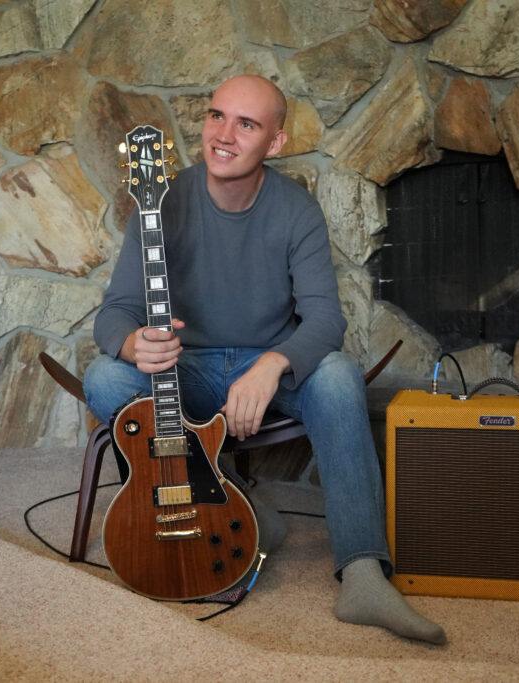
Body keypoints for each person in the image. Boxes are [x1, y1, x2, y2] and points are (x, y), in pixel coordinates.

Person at [83, 74, 446, 645]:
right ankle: (238, 506)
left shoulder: (296, 210)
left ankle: (363, 575)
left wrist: (272, 364)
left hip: (265, 366)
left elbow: (325, 319)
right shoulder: (159, 200)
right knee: (104, 375)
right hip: (187, 368)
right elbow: (116, 311)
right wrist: (133, 344)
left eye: (246, 124)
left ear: (275, 143)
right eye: (217, 116)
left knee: (338, 376)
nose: (223, 135)